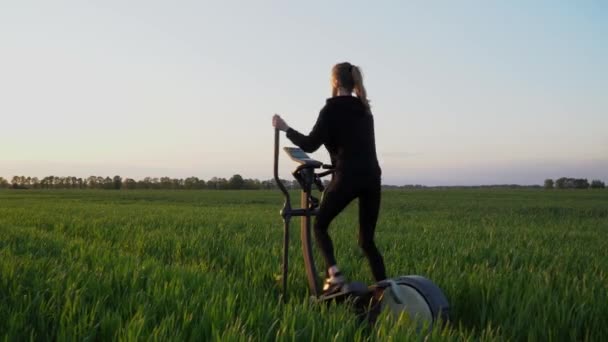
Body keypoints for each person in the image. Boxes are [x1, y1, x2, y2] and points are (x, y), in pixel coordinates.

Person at [272, 62, 387, 295]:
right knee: (367, 241)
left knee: (320, 225)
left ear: (334, 82)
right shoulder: (365, 109)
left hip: (348, 176)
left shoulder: (331, 110)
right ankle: (388, 292)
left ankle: (334, 276)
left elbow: (310, 145)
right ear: (354, 82)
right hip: (372, 177)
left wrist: (285, 128)